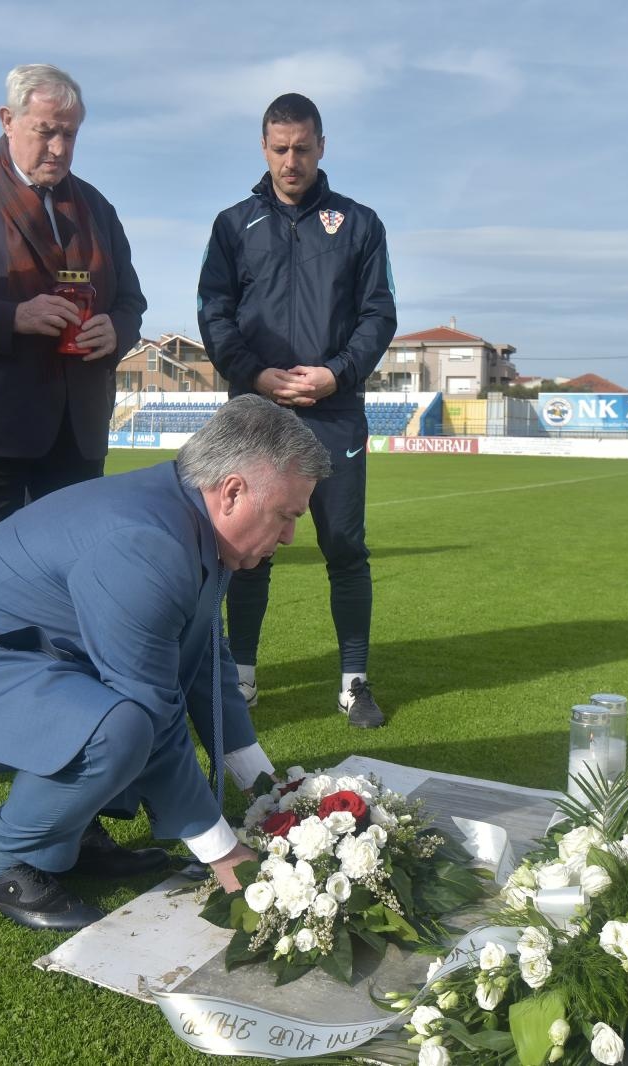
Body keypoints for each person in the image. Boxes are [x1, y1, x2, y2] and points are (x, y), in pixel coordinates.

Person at [0, 396, 328, 930]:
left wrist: (264, 785)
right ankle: (3, 866)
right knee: (119, 726)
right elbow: (154, 711)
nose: (290, 536)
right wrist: (224, 853)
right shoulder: (149, 543)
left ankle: (71, 834)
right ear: (233, 492)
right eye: (286, 515)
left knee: (117, 712)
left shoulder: (183, 516)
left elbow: (203, 657)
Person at [197, 93, 397, 729]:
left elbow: (378, 314)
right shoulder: (233, 225)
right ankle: (242, 679)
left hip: (333, 410)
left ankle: (354, 682)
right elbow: (213, 313)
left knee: (344, 546)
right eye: (280, 149)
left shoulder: (359, 224)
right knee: (247, 548)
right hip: (255, 412)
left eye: (303, 149)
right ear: (263, 147)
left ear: (321, 146)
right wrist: (254, 373)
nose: (291, 161)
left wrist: (336, 373)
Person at [0, 63, 146, 565]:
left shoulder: (96, 207)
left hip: (76, 436)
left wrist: (116, 329)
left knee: (65, 582)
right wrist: (14, 318)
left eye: (70, 134)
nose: (58, 148)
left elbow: (131, 300)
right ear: (7, 120)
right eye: (46, 132)